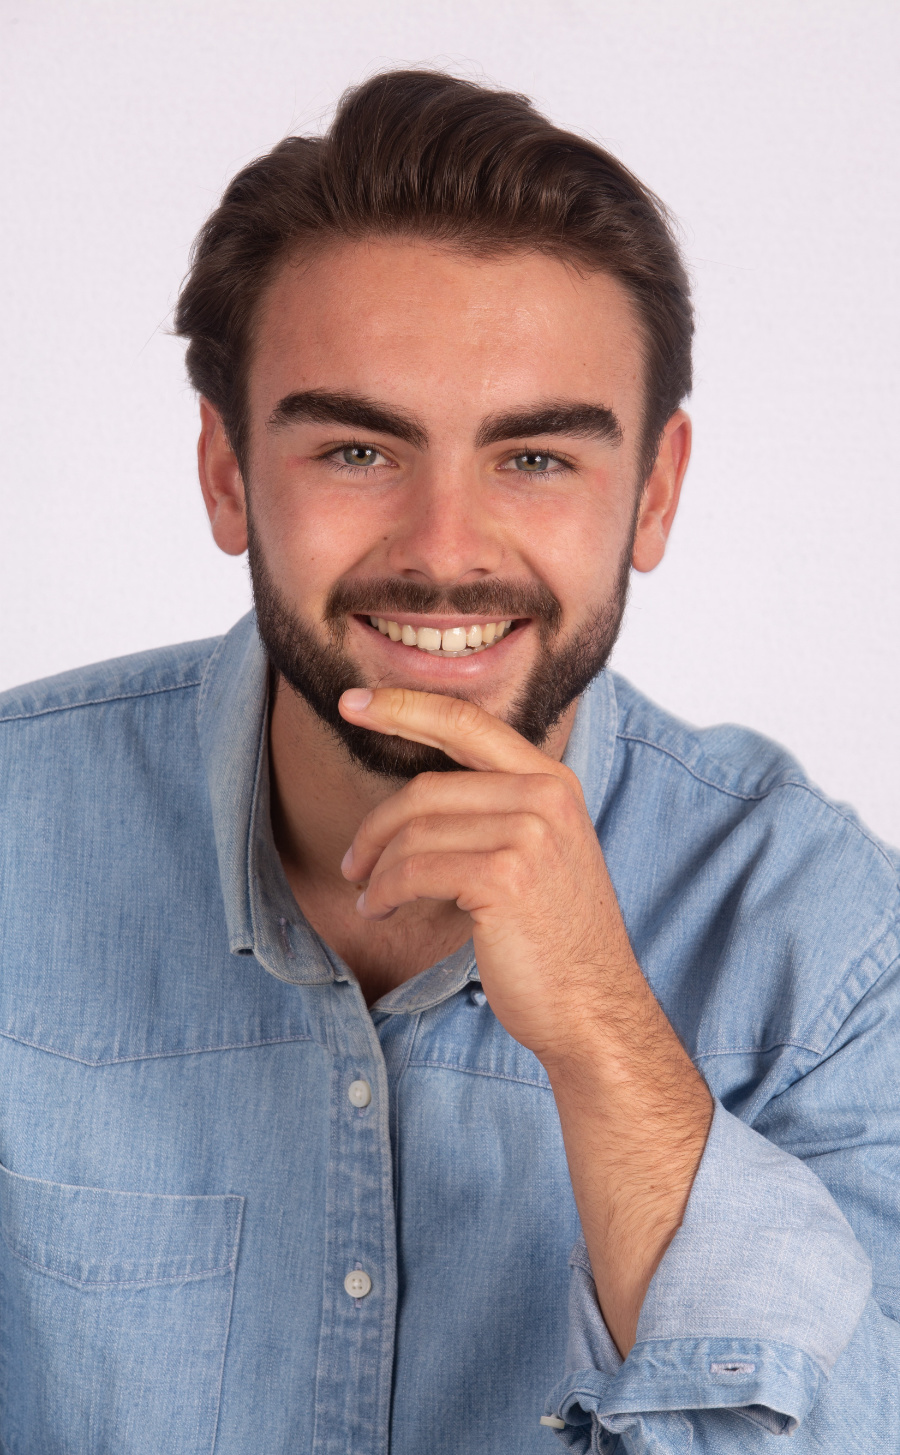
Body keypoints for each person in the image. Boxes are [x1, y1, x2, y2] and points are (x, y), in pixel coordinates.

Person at [1, 68, 897, 1455]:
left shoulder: (829, 944)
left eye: (536, 458)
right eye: (358, 448)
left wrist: (603, 1034)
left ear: (653, 493)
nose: (443, 546)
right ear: (229, 474)